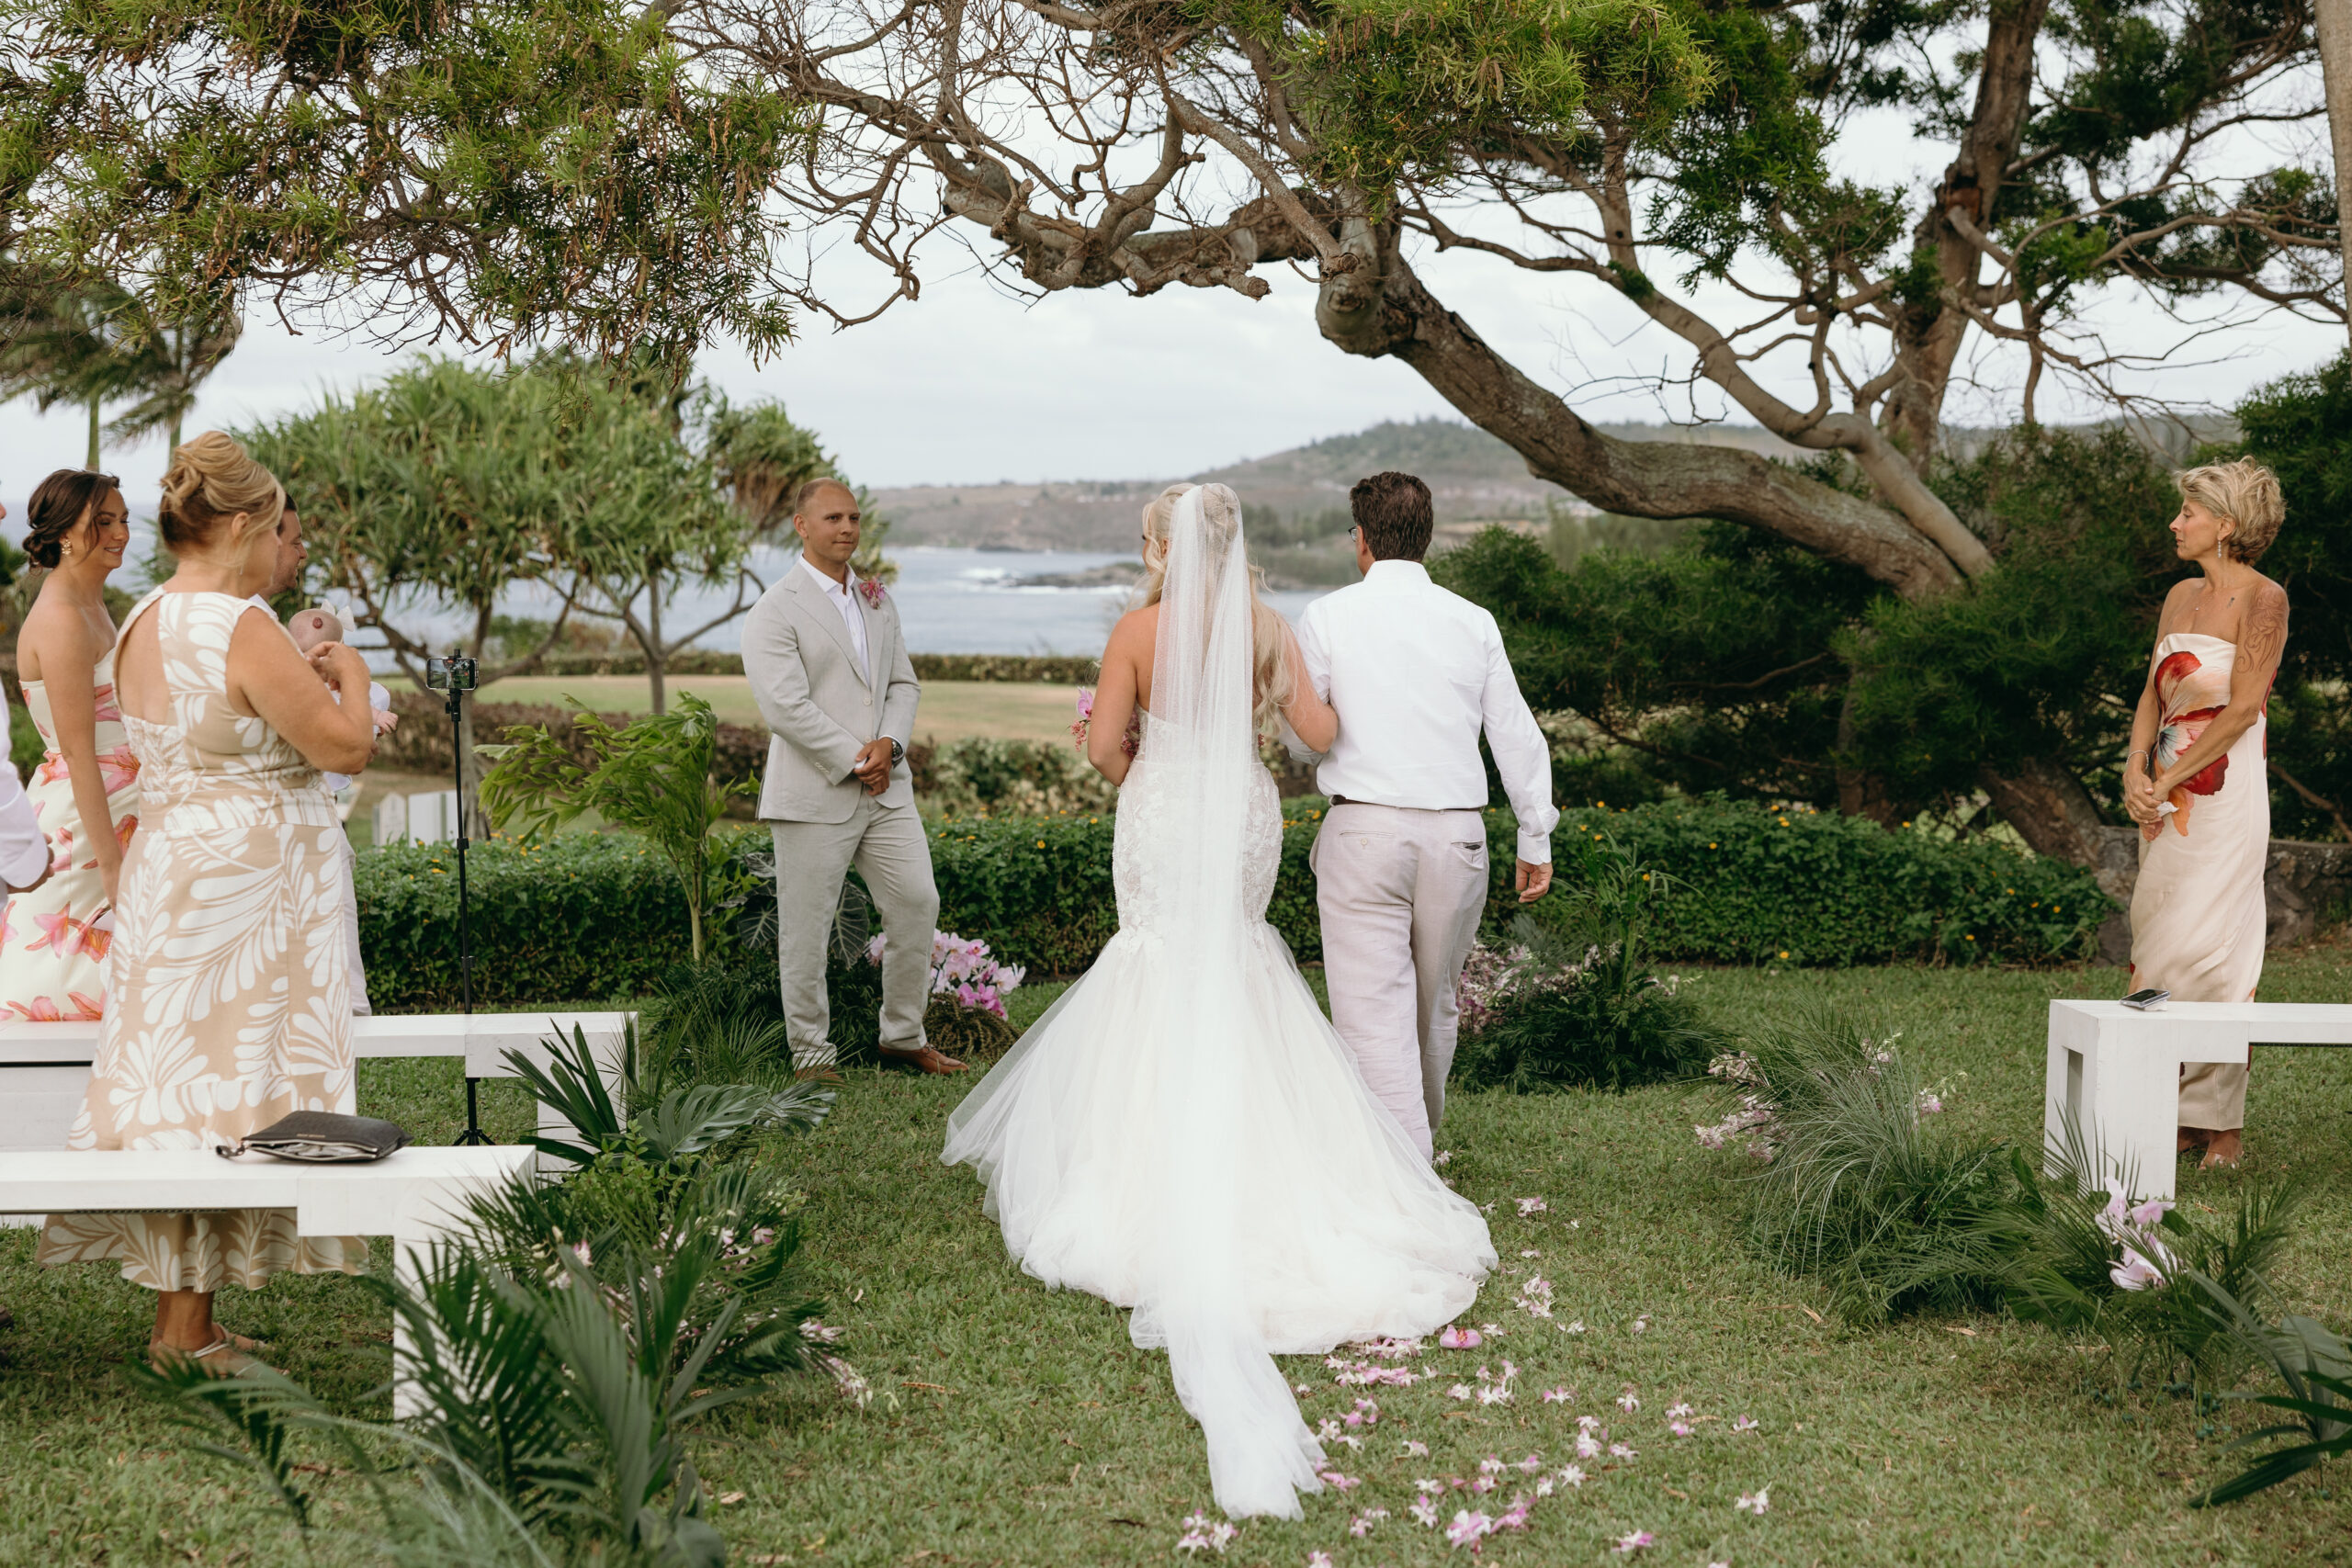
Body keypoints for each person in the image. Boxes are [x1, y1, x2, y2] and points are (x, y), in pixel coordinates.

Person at [943, 483, 1495, 1520]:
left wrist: (1146, 759)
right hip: (1240, 806)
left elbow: (1107, 747)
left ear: (1158, 547)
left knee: (1155, 958)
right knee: (1238, 962)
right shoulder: (1267, 627)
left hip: (1162, 809)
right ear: (1233, 546)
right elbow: (1321, 732)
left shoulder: (1137, 629)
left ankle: (1138, 1164)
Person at [37, 432, 380, 1374]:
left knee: (191, 1093)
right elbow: (344, 747)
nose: (279, 551)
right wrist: (346, 672)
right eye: (273, 531)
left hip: (180, 869)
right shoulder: (240, 623)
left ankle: (186, 1323)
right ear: (238, 526)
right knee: (225, 1095)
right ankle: (184, 1334)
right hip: (247, 887)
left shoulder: (147, 616)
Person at [1294, 471, 1559, 1161]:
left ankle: (1401, 1171)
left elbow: (1305, 735)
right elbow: (1516, 735)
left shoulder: (1325, 616)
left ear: (1361, 540)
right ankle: (1417, 1144)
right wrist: (1535, 833)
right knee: (1434, 1004)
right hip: (1457, 840)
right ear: (1428, 537)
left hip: (1364, 832)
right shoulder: (1474, 622)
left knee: (1371, 1012)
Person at [741, 479, 953, 1072]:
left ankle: (902, 1037)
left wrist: (890, 744)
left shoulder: (878, 599)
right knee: (806, 932)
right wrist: (861, 758)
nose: (848, 529)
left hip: (887, 792)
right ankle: (811, 1054)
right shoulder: (774, 610)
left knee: (918, 900)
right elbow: (785, 707)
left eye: (855, 518)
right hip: (813, 794)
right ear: (801, 526)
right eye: (833, 517)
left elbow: (903, 683)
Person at [2121, 459, 2289, 1171]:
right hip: (2163, 793)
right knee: (2158, 939)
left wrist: (2172, 779)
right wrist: (2135, 769)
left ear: (2226, 525)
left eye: (2187, 512)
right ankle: (2168, 1110)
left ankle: (2222, 1125)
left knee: (2214, 948)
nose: (2175, 522)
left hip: (2223, 795)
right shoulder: (2179, 595)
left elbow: (2243, 708)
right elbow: (2152, 694)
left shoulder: (2265, 598)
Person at [0, 469, 139, 1021]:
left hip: (123, 808)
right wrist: (110, 865)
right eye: (102, 522)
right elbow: (80, 752)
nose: (120, 533)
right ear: (64, 533)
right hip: (86, 822)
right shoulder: (60, 619)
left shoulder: (93, 606)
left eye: (124, 519)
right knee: (69, 973)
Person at [288, 605, 396, 1015]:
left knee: (335, 925)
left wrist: (370, 713)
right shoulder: (291, 689)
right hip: (298, 812)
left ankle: (347, 1008)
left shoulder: (351, 692)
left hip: (322, 811)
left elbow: (357, 745)